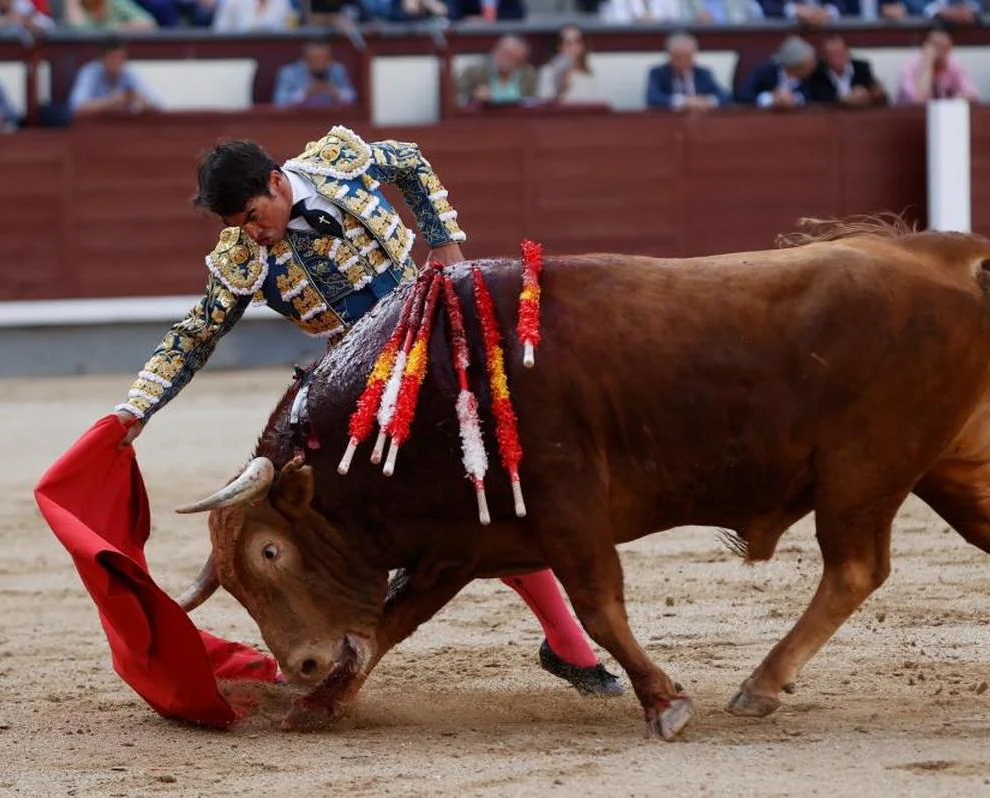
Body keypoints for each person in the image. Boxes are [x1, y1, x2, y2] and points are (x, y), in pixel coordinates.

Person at [108, 126, 624, 697]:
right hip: (353, 389)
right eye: (239, 227)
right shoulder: (241, 259)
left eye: (255, 216)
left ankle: (564, 641)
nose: (254, 234)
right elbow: (196, 333)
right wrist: (138, 406)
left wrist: (443, 236)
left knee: (492, 488)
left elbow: (408, 161)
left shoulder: (337, 163)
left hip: (437, 352)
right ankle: (307, 637)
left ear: (277, 182)